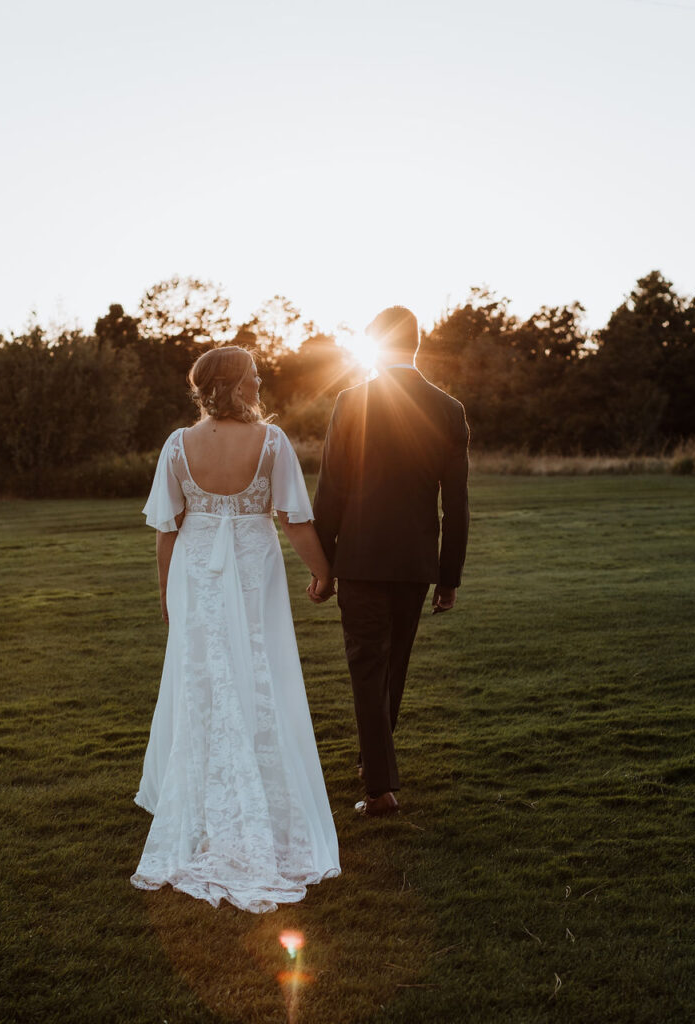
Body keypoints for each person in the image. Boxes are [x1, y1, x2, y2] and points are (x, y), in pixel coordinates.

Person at [131, 346, 340, 912]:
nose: (260, 381)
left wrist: (166, 592)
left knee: (204, 676)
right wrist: (324, 572)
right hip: (251, 562)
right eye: (253, 375)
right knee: (258, 670)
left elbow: (167, 529)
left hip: (198, 567)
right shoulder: (272, 443)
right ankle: (253, 798)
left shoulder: (178, 444)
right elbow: (295, 519)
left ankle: (205, 804)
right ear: (234, 384)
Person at [311, 306, 470, 818]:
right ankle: (373, 765)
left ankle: (379, 788)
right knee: (391, 666)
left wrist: (323, 565)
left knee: (367, 668)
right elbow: (457, 503)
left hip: (359, 559)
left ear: (373, 343)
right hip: (414, 564)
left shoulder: (350, 402)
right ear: (418, 345)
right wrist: (448, 579)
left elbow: (331, 491)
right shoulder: (449, 408)